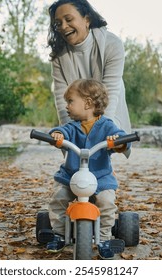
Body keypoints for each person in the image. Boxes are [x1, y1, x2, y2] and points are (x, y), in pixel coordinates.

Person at [44, 79, 130, 259]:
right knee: (59, 197)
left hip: (100, 177)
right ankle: (59, 234)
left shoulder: (106, 126)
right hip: (70, 176)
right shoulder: (72, 126)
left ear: (88, 103)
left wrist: (118, 142)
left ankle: (105, 239)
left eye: (70, 101)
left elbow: (120, 137)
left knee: (106, 201)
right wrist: (57, 135)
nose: (66, 106)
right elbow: (62, 131)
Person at [47, 0, 132, 154]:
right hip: (77, 110)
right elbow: (61, 98)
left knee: (104, 152)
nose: (63, 26)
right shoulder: (59, 55)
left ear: (87, 19)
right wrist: (68, 139)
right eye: (58, 23)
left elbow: (110, 92)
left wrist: (102, 134)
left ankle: (105, 169)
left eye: (68, 19)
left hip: (107, 106)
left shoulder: (112, 45)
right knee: (75, 162)